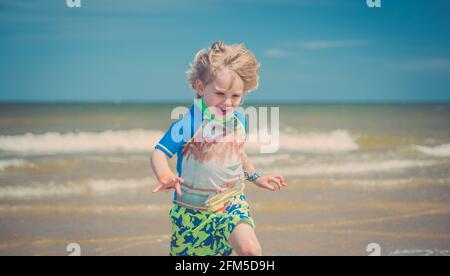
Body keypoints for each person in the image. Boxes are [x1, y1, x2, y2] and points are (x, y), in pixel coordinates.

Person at [150, 41, 287, 256]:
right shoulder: (189, 123)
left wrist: (256, 177)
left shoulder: (239, 120)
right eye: (220, 94)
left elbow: (238, 153)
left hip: (230, 203)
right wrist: (165, 175)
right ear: (200, 87)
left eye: (236, 96)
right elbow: (159, 153)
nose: (228, 103)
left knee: (251, 250)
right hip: (191, 214)